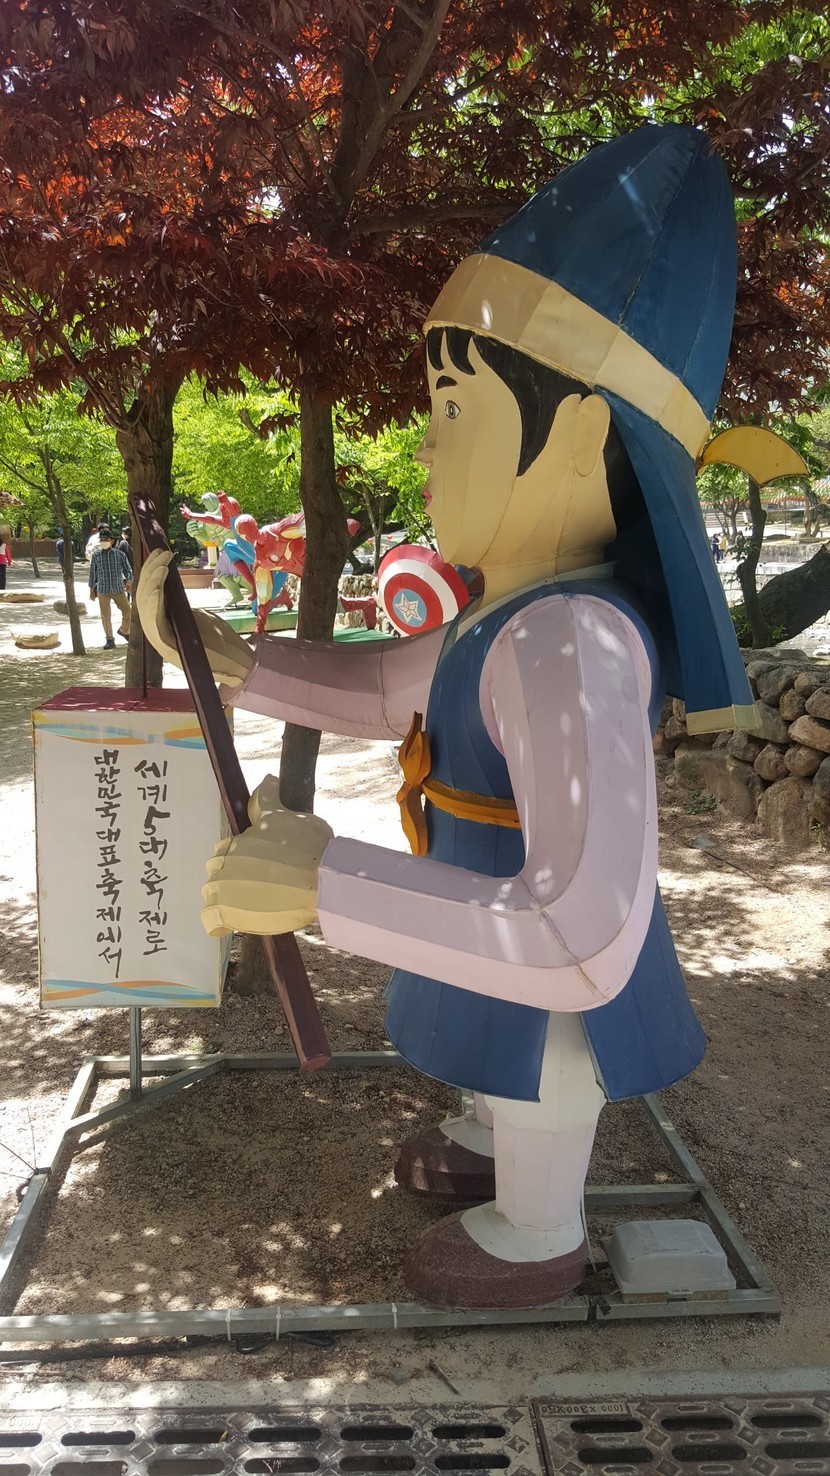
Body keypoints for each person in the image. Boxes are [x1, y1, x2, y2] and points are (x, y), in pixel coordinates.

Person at [138, 124, 757, 1309]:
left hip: (534, 938)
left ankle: (539, 1228)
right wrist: (237, 663)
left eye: (453, 406)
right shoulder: (509, 613)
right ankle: (489, 1142)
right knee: (496, 1035)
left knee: (546, 1050)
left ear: (578, 433)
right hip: (480, 895)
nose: (424, 442)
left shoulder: (571, 641)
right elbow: (387, 689)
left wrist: (324, 882)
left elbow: (580, 926)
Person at [88, 525, 132, 649]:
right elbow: (92, 573)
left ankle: (124, 630)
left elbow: (128, 569)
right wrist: (91, 590)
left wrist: (129, 582)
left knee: (128, 611)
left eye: (106, 540)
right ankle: (109, 639)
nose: (103, 542)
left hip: (118, 589)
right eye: (101, 540)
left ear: (112, 541)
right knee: (105, 616)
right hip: (103, 590)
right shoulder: (96, 556)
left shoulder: (120, 555)